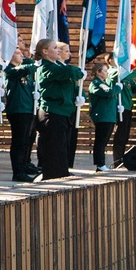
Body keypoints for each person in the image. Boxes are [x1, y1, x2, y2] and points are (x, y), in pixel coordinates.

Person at [33, 40, 83, 178]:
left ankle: (61, 174)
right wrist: (77, 71)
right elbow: (71, 71)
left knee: (61, 149)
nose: (58, 51)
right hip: (52, 113)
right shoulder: (47, 67)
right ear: (45, 51)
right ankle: (53, 179)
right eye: (55, 48)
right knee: (54, 150)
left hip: (63, 112)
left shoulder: (56, 67)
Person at [86, 47, 127, 171]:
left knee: (104, 141)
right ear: (98, 72)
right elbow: (108, 93)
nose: (107, 73)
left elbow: (110, 96)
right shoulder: (96, 84)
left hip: (109, 115)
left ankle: (101, 163)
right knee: (100, 141)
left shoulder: (104, 83)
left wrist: (117, 107)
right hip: (102, 116)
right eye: (104, 71)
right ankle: (100, 164)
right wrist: (118, 88)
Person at [3, 42, 39, 183]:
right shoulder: (10, 69)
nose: (21, 55)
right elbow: (21, 71)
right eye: (18, 53)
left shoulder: (24, 70)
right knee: (19, 142)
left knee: (25, 141)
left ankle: (23, 167)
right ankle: (17, 171)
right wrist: (35, 65)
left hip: (27, 109)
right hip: (18, 109)